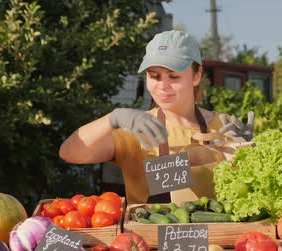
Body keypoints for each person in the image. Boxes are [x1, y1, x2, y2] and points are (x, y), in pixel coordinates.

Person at [59, 30, 254, 204]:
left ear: (196, 76)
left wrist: (248, 155)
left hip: (219, 242)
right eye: (154, 76)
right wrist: (113, 118)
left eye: (173, 76)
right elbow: (69, 153)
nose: (162, 85)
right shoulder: (136, 131)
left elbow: (253, 196)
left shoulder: (226, 127)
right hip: (148, 242)